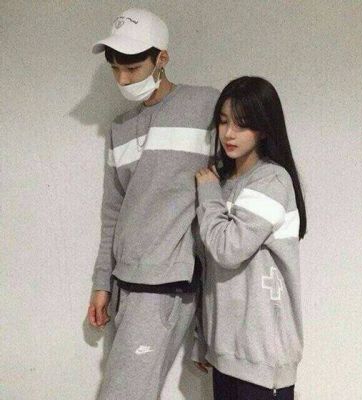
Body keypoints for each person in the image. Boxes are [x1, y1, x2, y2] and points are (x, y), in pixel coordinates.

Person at [86, 7, 220, 400]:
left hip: (165, 283)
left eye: (132, 68)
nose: (123, 80)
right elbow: (113, 212)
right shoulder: (121, 127)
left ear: (161, 58)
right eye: (116, 69)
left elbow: (226, 194)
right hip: (125, 281)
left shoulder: (207, 106)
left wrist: (213, 316)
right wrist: (102, 283)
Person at [191, 76, 307, 400]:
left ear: (264, 129)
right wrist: (204, 340)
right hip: (226, 356)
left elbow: (227, 250)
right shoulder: (222, 181)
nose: (229, 133)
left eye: (242, 125)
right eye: (223, 121)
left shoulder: (272, 180)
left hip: (263, 360)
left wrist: (208, 193)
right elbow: (208, 267)